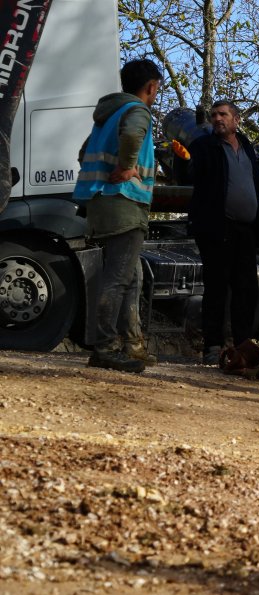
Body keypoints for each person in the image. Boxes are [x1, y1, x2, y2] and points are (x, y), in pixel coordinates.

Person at [71, 59, 163, 374]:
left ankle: (133, 345)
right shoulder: (137, 111)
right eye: (156, 89)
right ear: (151, 87)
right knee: (118, 278)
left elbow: (84, 153)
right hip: (124, 202)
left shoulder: (106, 116)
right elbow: (134, 134)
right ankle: (105, 348)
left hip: (101, 202)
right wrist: (125, 167)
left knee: (132, 276)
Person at [187, 100, 259, 364]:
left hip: (246, 231)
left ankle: (242, 345)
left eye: (223, 114)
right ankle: (213, 346)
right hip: (217, 230)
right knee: (216, 288)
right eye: (214, 115)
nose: (217, 119)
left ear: (236, 119)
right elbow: (192, 174)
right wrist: (183, 162)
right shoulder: (205, 147)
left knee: (245, 290)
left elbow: (257, 181)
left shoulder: (246, 147)